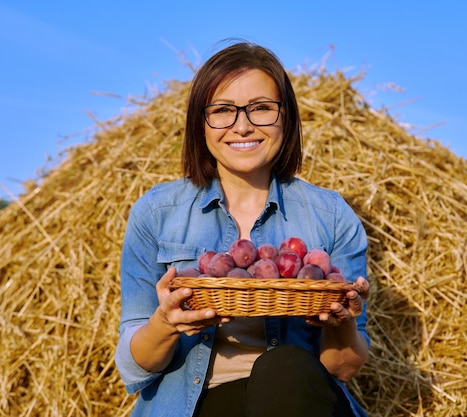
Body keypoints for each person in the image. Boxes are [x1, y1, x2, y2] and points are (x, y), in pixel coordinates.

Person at [115, 40, 371, 417]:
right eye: (222, 110)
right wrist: (165, 322)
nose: (242, 125)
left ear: (287, 117)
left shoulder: (330, 216)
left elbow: (343, 367)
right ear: (200, 123)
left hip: (300, 401)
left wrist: (342, 325)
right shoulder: (157, 213)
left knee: (285, 368)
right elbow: (135, 366)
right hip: (197, 407)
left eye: (262, 108)